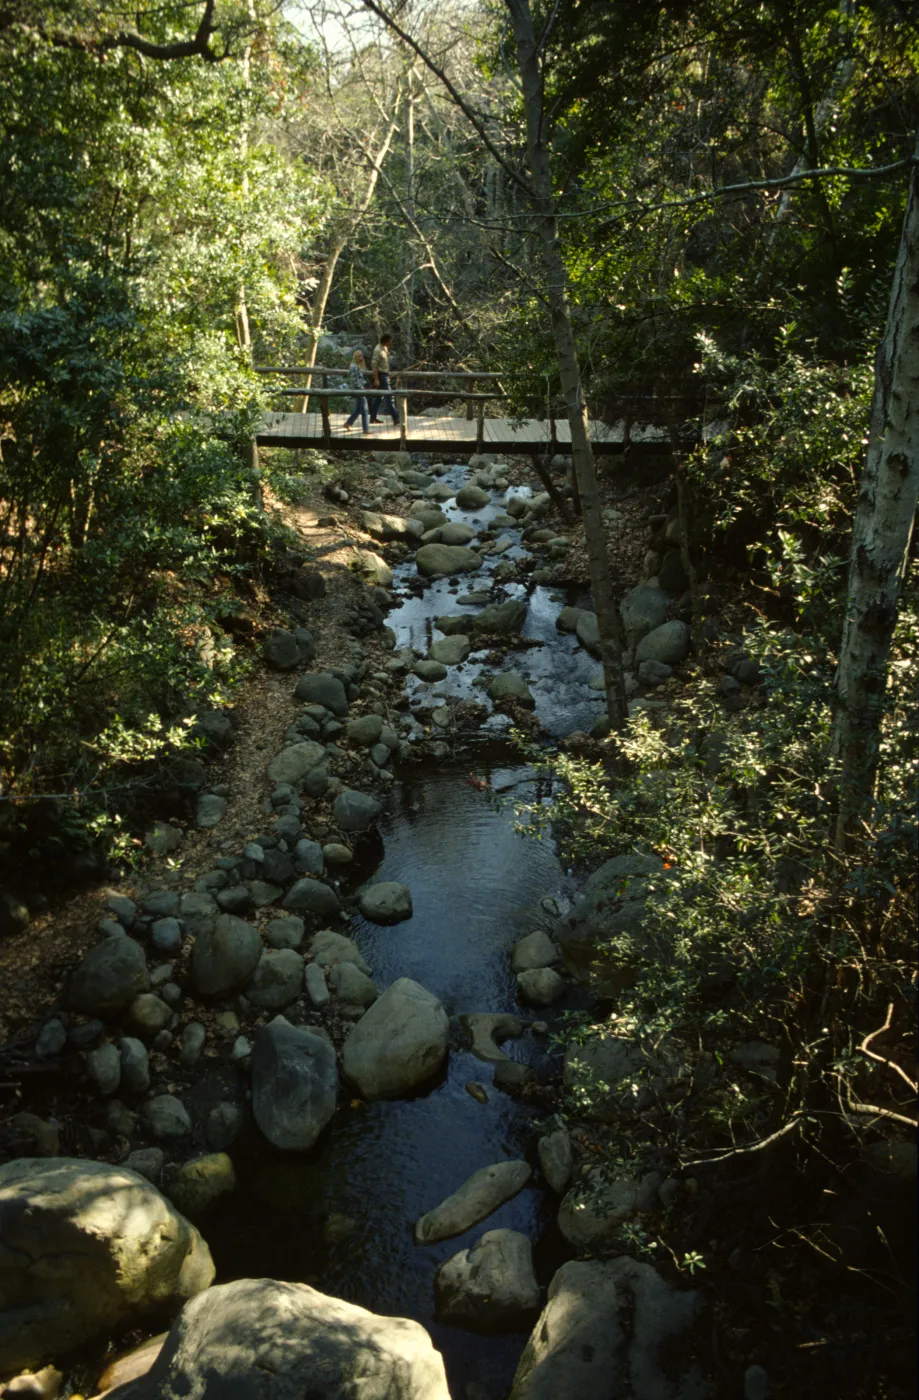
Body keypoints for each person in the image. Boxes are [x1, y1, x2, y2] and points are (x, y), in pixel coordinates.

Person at [369, 333, 399, 425]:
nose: (391, 343)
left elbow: (384, 364)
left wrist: (387, 374)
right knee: (390, 397)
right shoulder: (377, 350)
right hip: (381, 376)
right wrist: (376, 379)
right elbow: (374, 366)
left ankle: (373, 418)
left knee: (379, 398)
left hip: (384, 375)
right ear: (385, 341)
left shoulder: (385, 348)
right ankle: (396, 418)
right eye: (390, 341)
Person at [342, 349, 370, 433]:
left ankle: (348, 423)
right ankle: (365, 429)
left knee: (358, 409)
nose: (361, 358)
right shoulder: (354, 366)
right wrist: (361, 388)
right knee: (365, 409)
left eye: (361, 356)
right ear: (355, 357)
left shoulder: (358, 366)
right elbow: (354, 380)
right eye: (359, 356)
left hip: (359, 389)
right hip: (358, 390)